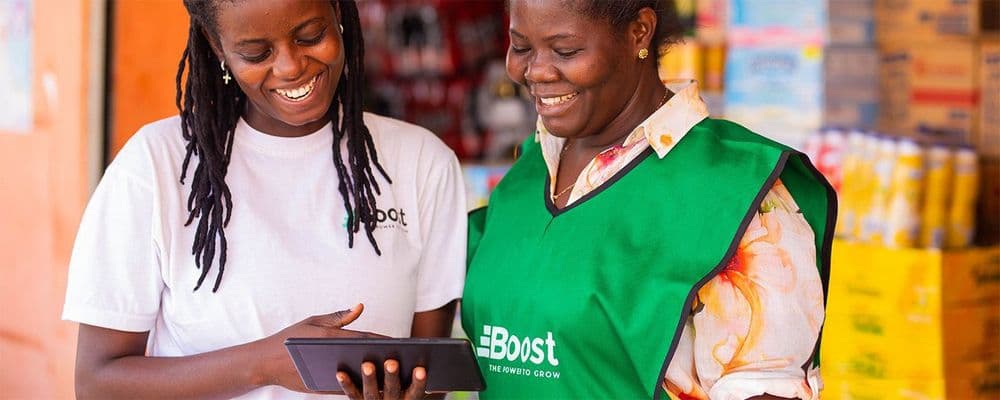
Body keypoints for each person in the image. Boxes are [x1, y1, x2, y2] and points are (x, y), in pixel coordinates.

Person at [61, 0, 466, 399]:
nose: (290, 66)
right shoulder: (156, 165)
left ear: (338, 13)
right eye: (256, 53)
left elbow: (430, 376)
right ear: (217, 46)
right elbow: (98, 382)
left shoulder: (423, 164)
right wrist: (265, 363)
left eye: (311, 35)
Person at [462, 0, 836, 399]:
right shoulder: (527, 173)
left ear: (639, 31)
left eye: (565, 51)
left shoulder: (736, 192)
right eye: (520, 47)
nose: (535, 70)